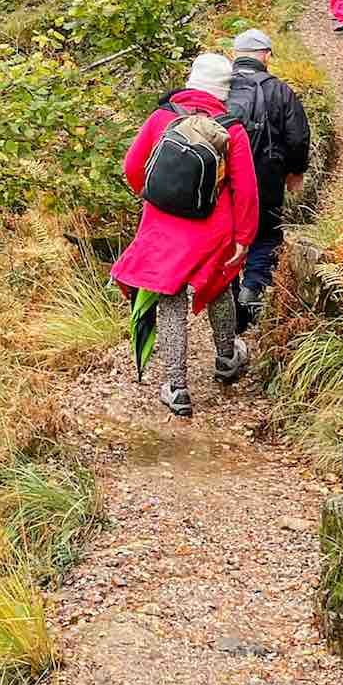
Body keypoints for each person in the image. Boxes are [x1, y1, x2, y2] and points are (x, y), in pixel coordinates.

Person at [111, 52, 260, 419]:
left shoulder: (162, 118)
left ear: (192, 80)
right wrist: (244, 237)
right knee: (220, 286)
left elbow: (132, 167)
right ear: (224, 90)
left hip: (164, 225)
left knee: (170, 298)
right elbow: (247, 189)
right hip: (214, 226)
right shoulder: (232, 128)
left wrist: (154, 196)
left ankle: (176, 388)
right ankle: (227, 358)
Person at [227, 27, 312, 332]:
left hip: (224, 183)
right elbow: (298, 137)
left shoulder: (218, 88)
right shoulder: (279, 91)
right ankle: (253, 292)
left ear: (235, 56)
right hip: (265, 179)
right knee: (266, 236)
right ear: (265, 56)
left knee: (228, 238)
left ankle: (231, 300)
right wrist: (295, 171)